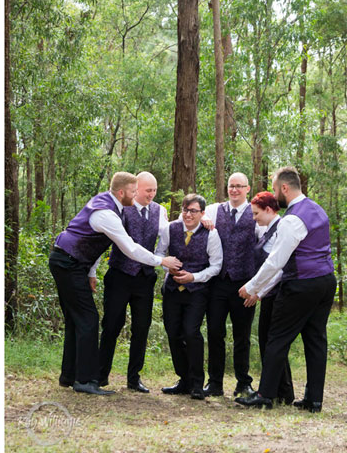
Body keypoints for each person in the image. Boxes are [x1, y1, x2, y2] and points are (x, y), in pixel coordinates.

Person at [48, 172, 182, 396]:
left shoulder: (111, 204)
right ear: (122, 192)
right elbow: (128, 247)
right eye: (134, 190)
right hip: (69, 263)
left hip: (73, 262)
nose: (138, 193)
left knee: (75, 319)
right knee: (89, 320)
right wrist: (161, 260)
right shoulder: (107, 214)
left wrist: (90, 272)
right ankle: (86, 379)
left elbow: (96, 243)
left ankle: (69, 375)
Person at [237, 167, 336, 412]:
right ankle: (314, 400)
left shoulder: (292, 219)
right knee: (315, 340)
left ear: (284, 188)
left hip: (301, 284)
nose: (273, 193)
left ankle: (265, 395)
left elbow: (276, 261)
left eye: (273, 187)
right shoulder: (317, 209)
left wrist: (252, 287)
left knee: (277, 338)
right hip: (326, 282)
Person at [96, 171, 167, 393]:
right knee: (111, 325)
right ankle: (100, 376)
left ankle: (133, 378)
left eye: (154, 191)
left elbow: (168, 233)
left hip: (144, 280)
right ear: (136, 190)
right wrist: (91, 271)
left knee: (141, 328)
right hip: (119, 276)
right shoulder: (120, 209)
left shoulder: (159, 211)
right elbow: (102, 242)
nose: (151, 195)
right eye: (148, 191)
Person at [155, 194, 223, 400]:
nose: (188, 214)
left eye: (193, 210)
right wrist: (167, 267)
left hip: (197, 292)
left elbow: (216, 266)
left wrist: (194, 277)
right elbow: (159, 253)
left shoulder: (211, 234)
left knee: (191, 332)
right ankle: (183, 380)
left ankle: (196, 383)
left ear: (203, 213)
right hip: (172, 290)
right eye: (185, 209)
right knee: (173, 332)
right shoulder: (171, 229)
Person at [200, 172, 258, 398]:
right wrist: (204, 218)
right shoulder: (215, 209)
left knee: (242, 336)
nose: (234, 190)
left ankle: (243, 382)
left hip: (245, 284)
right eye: (231, 186)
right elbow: (197, 216)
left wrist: (258, 287)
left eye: (239, 186)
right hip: (219, 284)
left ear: (247, 189)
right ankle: (215, 383)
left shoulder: (255, 212)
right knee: (215, 333)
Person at [242, 191, 294, 405]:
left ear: (269, 210)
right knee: (268, 341)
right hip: (268, 293)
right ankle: (283, 391)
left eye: (256, 213)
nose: (254, 218)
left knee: (272, 342)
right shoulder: (266, 228)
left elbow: (277, 267)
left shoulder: (280, 229)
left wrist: (258, 292)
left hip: (278, 292)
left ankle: (277, 391)